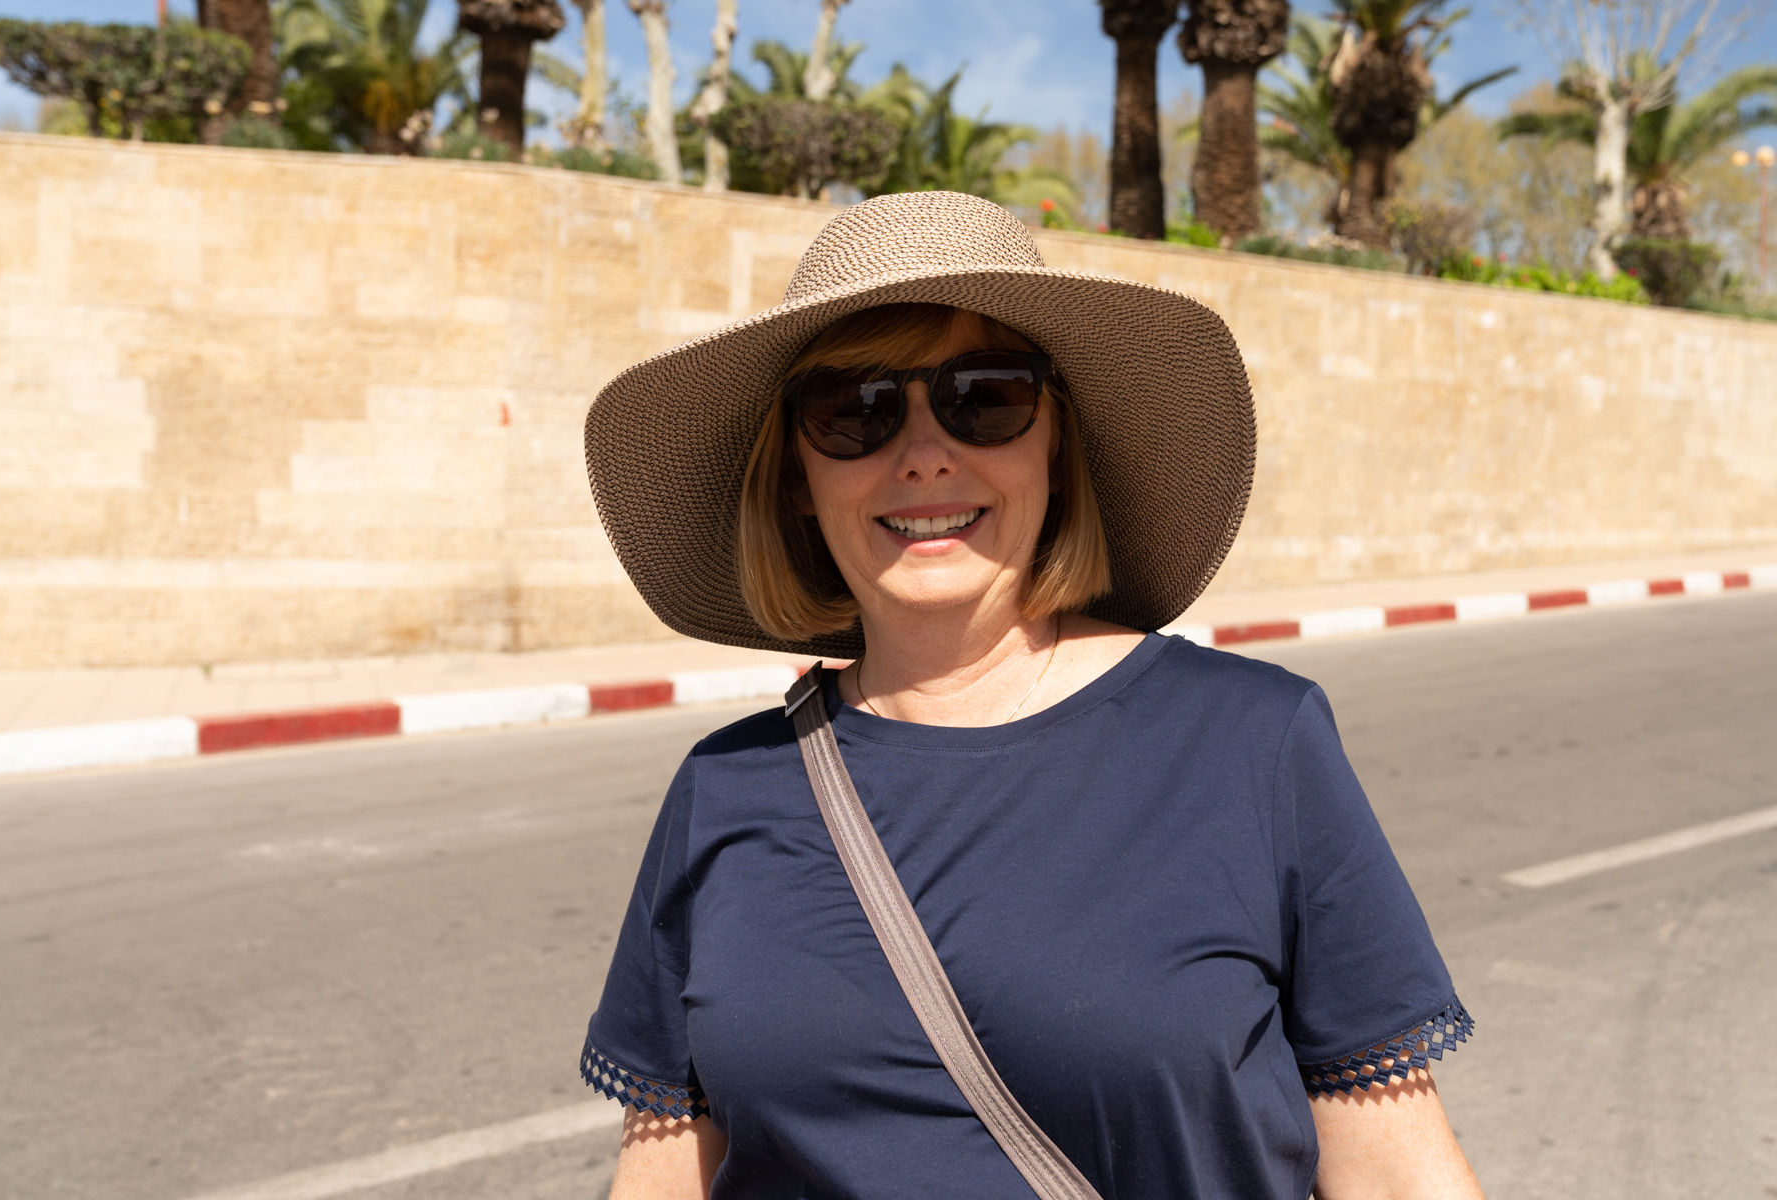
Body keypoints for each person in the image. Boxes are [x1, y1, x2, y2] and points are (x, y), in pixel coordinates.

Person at [579, 191, 1482, 1199]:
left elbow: (1397, 1175)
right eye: (855, 411)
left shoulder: (1251, 741)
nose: (925, 454)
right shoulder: (724, 789)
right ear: (797, 474)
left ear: (1056, 440)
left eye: (985, 396)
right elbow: (662, 1176)